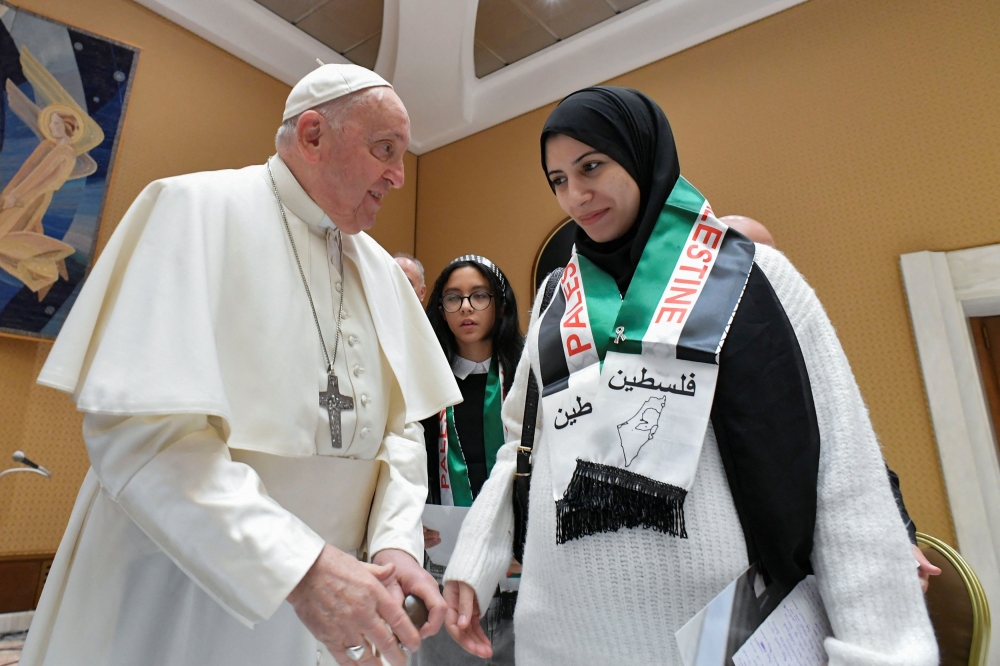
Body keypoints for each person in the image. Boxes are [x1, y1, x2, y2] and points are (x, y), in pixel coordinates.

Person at [442, 87, 937, 664]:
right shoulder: (558, 296)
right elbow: (521, 444)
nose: (575, 194)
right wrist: (475, 559)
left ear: (640, 153)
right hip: (558, 631)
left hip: (715, 632)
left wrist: (881, 648)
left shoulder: (752, 276)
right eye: (558, 180)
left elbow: (841, 471)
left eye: (591, 166)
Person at [21, 63, 462, 666]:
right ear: (313, 135)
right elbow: (142, 434)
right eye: (384, 149)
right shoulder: (191, 209)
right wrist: (297, 566)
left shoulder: (384, 271)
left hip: (348, 592)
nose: (399, 175)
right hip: (187, 584)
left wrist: (395, 543)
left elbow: (402, 431)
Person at [718, 214, 942, 592]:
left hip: (813, 571)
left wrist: (899, 540)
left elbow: (857, 458)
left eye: (771, 259)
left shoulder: (801, 343)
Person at [416, 255, 523, 665]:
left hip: (519, 564)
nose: (465, 308)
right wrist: (409, 518)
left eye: (479, 296)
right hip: (444, 562)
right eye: (453, 298)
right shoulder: (423, 380)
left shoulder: (529, 375)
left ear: (500, 305)